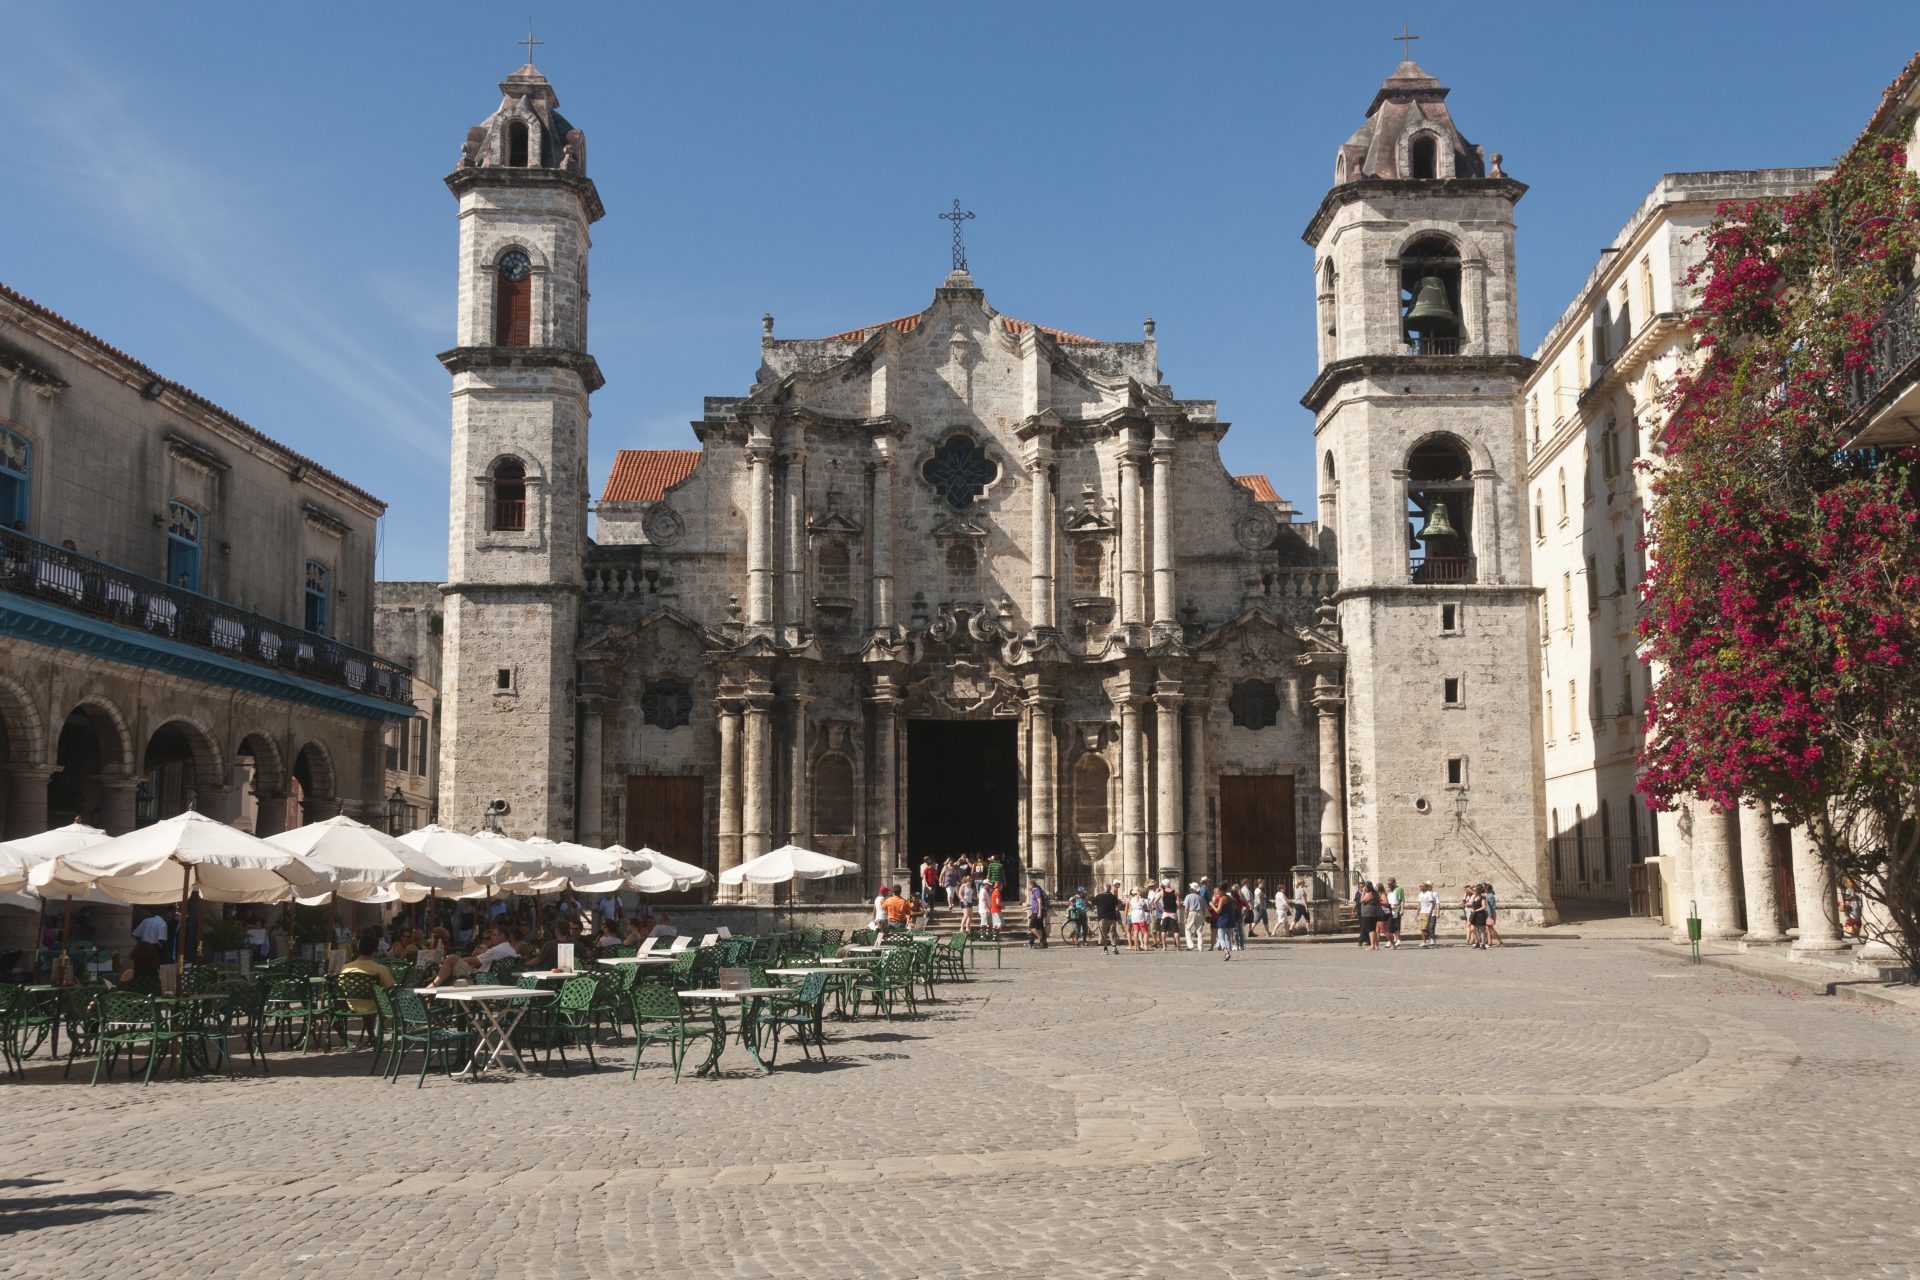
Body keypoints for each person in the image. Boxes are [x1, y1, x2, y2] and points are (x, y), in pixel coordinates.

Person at [426, 924, 520, 986]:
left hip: (481, 978)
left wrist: (458, 960)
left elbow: (474, 960)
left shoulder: (497, 950)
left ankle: (433, 986)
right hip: (491, 978)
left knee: (451, 958)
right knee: (449, 973)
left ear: (502, 935)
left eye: (494, 935)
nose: (491, 937)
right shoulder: (510, 950)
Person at [338, 933, 397, 1027]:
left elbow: (341, 986)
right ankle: (377, 1032)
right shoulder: (380, 969)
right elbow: (391, 988)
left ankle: (371, 1036)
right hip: (375, 1006)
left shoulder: (345, 968)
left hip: (352, 1005)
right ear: (375, 951)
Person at [1090, 882, 1123, 954]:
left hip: (1102, 918)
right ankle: (1114, 947)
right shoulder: (1113, 897)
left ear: (1103, 888)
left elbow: (1092, 902)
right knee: (1112, 933)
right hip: (1112, 917)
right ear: (1110, 888)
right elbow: (1118, 903)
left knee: (1103, 934)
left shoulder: (1099, 896)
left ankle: (1105, 950)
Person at [1211, 884, 1240, 959]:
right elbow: (1235, 904)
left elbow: (1218, 910)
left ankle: (1226, 953)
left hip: (1223, 920)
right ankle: (1228, 952)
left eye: (1218, 891)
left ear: (1221, 891)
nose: (1217, 893)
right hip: (1230, 919)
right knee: (1228, 938)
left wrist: (1212, 905)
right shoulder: (1229, 897)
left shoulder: (1222, 898)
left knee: (1221, 938)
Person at [1182, 882, 1209, 952]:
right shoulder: (1201, 897)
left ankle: (1190, 945)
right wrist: (1203, 917)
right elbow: (1204, 909)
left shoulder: (1188, 896)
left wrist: (1185, 917)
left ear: (1191, 889)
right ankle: (1200, 947)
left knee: (1187, 929)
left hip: (1192, 912)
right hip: (1200, 913)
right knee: (1199, 931)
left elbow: (1186, 908)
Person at [1156, 881, 1181, 952]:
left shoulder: (1162, 892)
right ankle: (1178, 947)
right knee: (1176, 930)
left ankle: (1164, 947)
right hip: (1173, 913)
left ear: (1164, 885)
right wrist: (1176, 905)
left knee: (1163, 930)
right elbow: (1178, 904)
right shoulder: (1176, 892)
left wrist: (1158, 909)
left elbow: (1155, 902)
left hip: (1165, 913)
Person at [1027, 880, 1049, 949]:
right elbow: (1035, 903)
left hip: (1037, 912)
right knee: (1040, 927)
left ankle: (1041, 940)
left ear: (1032, 885)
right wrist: (1028, 908)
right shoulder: (1035, 891)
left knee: (1031, 927)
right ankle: (1043, 943)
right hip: (1036, 911)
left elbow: (1039, 902)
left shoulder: (1036, 891)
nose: (1028, 887)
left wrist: (1039, 912)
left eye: (1029, 885)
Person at [1417, 881, 1440, 948]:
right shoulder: (1421, 894)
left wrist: (1438, 912)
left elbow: (1436, 903)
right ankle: (1428, 939)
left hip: (1432, 912)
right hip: (1423, 912)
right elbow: (1419, 904)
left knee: (1431, 926)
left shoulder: (1434, 893)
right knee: (1425, 927)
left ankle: (1431, 939)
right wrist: (1417, 913)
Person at [1385, 878, 1405, 950]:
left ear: (1394, 883)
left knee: (1396, 925)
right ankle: (1393, 940)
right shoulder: (1390, 892)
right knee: (1392, 926)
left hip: (1397, 910)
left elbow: (1402, 900)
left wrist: (1402, 909)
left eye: (1390, 884)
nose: (1388, 886)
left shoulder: (1398, 889)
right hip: (1390, 911)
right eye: (1388, 884)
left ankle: (1398, 939)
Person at [1482, 883, 1503, 948]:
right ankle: (1490, 941)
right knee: (1488, 928)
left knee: (1490, 928)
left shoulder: (1489, 896)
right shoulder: (1490, 895)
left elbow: (1491, 906)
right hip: (1490, 913)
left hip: (1489, 913)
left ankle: (1499, 940)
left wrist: (1490, 915)